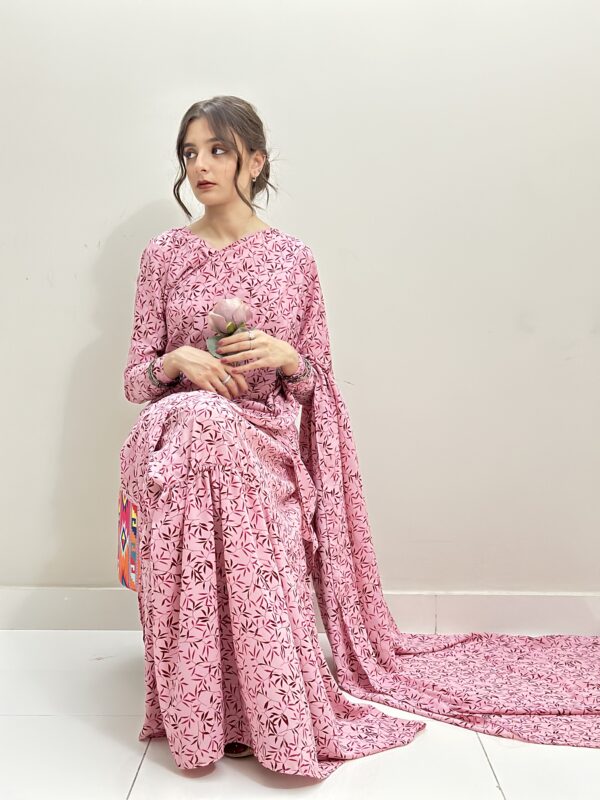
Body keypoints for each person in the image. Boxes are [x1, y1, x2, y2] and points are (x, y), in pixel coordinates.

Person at [119, 96, 600, 780]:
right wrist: (176, 362)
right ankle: (209, 712)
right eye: (190, 152)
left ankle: (255, 712)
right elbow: (134, 381)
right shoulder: (164, 255)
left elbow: (314, 383)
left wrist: (288, 358)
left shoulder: (293, 259)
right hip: (176, 436)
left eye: (219, 150)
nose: (202, 165)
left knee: (217, 430)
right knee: (202, 421)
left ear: (255, 162)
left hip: (264, 440)